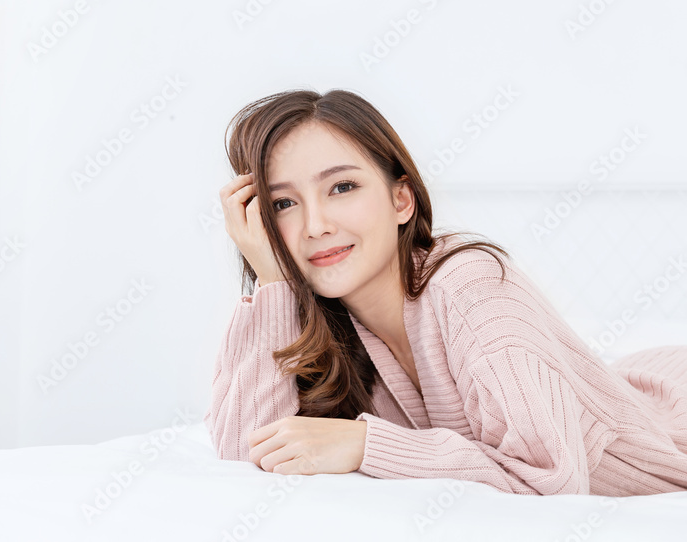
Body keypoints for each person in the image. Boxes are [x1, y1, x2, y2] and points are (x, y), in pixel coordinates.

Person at [203, 88, 687, 496]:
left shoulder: (471, 287)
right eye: (283, 202)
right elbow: (248, 454)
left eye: (342, 187)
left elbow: (549, 478)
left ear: (401, 199)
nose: (315, 225)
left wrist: (363, 444)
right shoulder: (324, 321)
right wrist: (274, 282)